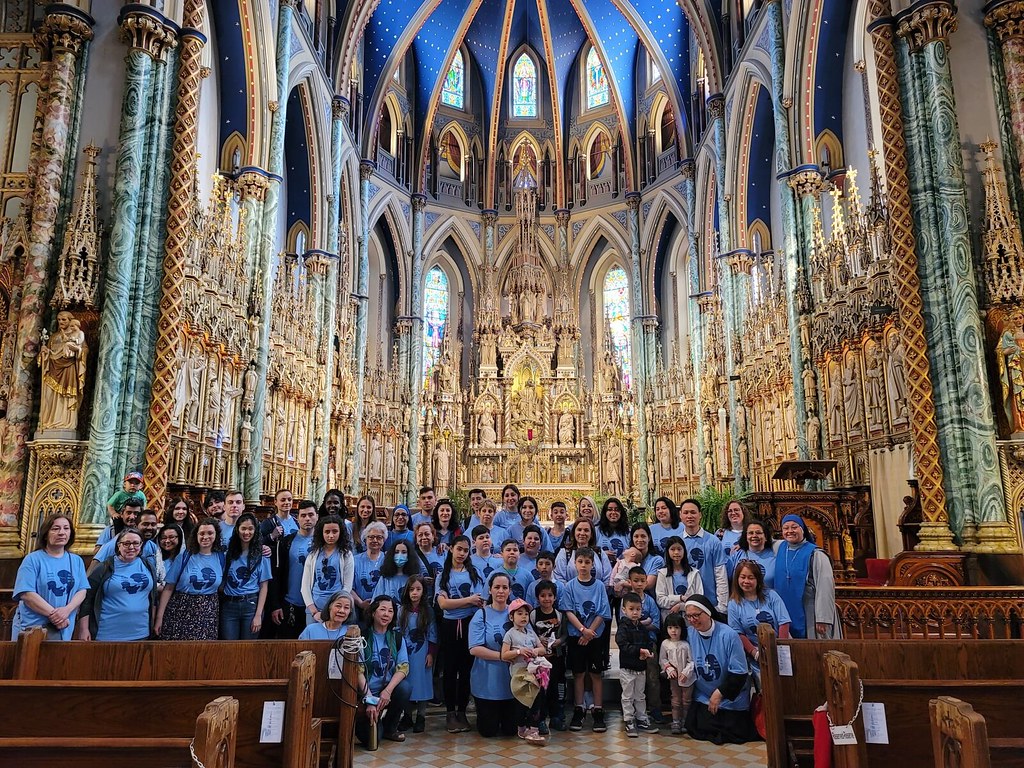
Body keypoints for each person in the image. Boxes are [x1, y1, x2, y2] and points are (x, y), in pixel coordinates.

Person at [683, 594, 759, 744]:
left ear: (708, 612)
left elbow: (739, 672)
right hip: (704, 696)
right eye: (688, 616)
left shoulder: (728, 635)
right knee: (698, 726)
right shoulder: (689, 634)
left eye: (696, 615)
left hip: (730, 697)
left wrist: (719, 694)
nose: (692, 620)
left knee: (732, 729)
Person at [436, 534, 485, 733]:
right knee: (449, 670)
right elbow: (443, 604)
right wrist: (467, 600)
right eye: (459, 549)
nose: (462, 553)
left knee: (466, 671)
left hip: (469, 624)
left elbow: (479, 601)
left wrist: (456, 603)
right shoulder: (443, 574)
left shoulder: (475, 573)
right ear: (451, 549)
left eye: (466, 550)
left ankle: (462, 711)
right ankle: (450, 713)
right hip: (449, 626)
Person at [13, 514, 88, 641]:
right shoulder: (32, 559)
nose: (61, 533)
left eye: (66, 528)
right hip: (33, 628)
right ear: (46, 533)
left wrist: (66, 611)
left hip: (64, 627)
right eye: (55, 529)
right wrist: (55, 615)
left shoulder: (76, 561)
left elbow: (82, 590)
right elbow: (26, 593)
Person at [77, 528, 158, 641]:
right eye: (126, 543)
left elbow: (153, 598)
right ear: (118, 546)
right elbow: (87, 600)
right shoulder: (104, 567)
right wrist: (83, 629)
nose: (131, 547)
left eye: (136, 543)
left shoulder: (148, 566)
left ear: (141, 545)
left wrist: (153, 623)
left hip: (141, 632)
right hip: (107, 633)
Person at [562, 547, 611, 733]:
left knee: (596, 674)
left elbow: (602, 612)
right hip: (577, 637)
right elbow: (568, 611)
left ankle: (598, 710)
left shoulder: (599, 586)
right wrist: (583, 630)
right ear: (575, 564)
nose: (583, 565)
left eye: (587, 562)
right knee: (579, 674)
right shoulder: (569, 586)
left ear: (593, 564)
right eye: (580, 561)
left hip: (595, 637)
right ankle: (579, 708)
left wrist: (590, 632)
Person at [155, 518, 224, 640]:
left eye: (210, 533)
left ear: (216, 535)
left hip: (207, 613)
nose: (205, 537)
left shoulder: (221, 557)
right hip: (181, 609)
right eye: (202, 533)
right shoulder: (184, 557)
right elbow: (168, 588)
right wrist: (159, 618)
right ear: (196, 535)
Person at [468, 572, 518, 738]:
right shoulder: (481, 614)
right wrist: (503, 656)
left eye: (505, 587)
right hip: (486, 684)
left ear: (510, 591)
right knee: (488, 732)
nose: (501, 591)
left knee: (510, 732)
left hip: (512, 684)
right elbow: (474, 649)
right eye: (497, 587)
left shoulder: (517, 613)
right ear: (489, 590)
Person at [773, 514, 839, 639]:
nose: (790, 531)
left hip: (811, 612)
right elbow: (758, 540)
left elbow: (825, 587)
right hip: (785, 610)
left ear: (803, 529)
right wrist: (740, 544)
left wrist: (823, 618)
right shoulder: (779, 547)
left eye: (794, 527)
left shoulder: (816, 554)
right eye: (785, 528)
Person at [357, 596, 412, 745]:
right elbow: (357, 670)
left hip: (385, 691)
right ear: (373, 612)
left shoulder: (397, 637)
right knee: (371, 742)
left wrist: (388, 691)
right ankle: (364, 722)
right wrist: (368, 699)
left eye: (390, 611)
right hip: (364, 693)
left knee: (405, 688)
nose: (386, 614)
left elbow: (403, 667)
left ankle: (390, 727)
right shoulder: (362, 637)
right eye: (382, 609)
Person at [728, 559, 791, 678]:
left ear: (758, 579)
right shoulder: (733, 604)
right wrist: (755, 653)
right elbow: (738, 632)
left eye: (751, 578)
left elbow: (784, 621)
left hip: (780, 647)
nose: (746, 581)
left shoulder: (771, 595)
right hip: (756, 653)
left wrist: (779, 648)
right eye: (743, 577)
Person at [267, 502, 318, 639]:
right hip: (291, 604)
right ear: (298, 518)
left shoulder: (323, 543)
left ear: (317, 517)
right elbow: (276, 575)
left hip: (316, 606)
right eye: (303, 515)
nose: (307, 518)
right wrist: (275, 605)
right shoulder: (286, 542)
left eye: (311, 515)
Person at [502, 597, 548, 745]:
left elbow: (542, 648)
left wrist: (535, 651)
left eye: (526, 614)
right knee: (521, 702)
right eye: (519, 613)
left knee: (536, 700)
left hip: (533, 674)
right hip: (519, 675)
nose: (523, 617)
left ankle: (533, 728)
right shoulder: (510, 634)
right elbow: (504, 655)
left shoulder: (530, 632)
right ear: (511, 616)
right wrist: (518, 652)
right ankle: (521, 727)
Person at [221, 512, 272, 640]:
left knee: (248, 649)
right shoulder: (229, 553)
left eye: (250, 529)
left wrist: (258, 615)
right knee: (229, 648)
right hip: (229, 604)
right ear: (237, 530)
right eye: (243, 528)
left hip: (251, 604)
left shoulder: (262, 555)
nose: (246, 532)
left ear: (255, 530)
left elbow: (264, 586)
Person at [623, 566, 663, 723]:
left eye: (642, 581)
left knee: (652, 678)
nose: (639, 584)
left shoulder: (651, 601)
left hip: (649, 643)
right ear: (630, 582)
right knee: (630, 680)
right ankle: (629, 711)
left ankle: (654, 709)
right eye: (636, 581)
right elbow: (625, 623)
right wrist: (643, 622)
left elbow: (656, 624)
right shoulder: (625, 601)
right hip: (631, 647)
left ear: (647, 582)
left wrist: (640, 624)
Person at [397, 575, 437, 734]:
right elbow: (397, 633)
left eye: (418, 589)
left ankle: (421, 716)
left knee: (423, 684)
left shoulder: (428, 611)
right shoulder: (401, 611)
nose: (414, 593)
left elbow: (433, 633)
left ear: (423, 591)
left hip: (423, 653)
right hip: (405, 653)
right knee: (407, 684)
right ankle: (407, 716)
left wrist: (431, 653)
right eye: (411, 589)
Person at [617, 592, 659, 737]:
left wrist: (648, 651)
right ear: (624, 610)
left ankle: (641, 718)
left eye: (638, 609)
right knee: (628, 695)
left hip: (641, 667)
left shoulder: (641, 627)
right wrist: (638, 651)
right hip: (627, 668)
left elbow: (648, 641)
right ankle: (629, 719)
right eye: (631, 609)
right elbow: (623, 645)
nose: (635, 612)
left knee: (640, 695)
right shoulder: (623, 627)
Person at [302, 514, 355, 625]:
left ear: (340, 532)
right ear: (321, 533)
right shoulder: (313, 555)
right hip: (314, 610)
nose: (331, 535)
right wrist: (313, 611)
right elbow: (305, 586)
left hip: (336, 611)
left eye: (334, 531)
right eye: (327, 532)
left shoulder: (346, 555)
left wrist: (336, 609)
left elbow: (347, 586)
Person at [679, 498, 729, 612]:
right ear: (680, 515)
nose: (689, 516)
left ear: (700, 515)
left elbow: (720, 575)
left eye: (693, 512)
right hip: (684, 602)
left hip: (709, 602)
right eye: (686, 513)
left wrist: (722, 607)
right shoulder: (676, 542)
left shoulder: (713, 541)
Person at [531, 580, 567, 732]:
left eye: (550, 595)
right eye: (543, 596)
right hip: (540, 661)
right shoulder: (533, 614)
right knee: (541, 691)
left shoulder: (559, 615)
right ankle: (540, 719)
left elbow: (565, 635)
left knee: (555, 689)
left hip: (556, 659)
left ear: (555, 597)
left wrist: (559, 641)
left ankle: (556, 717)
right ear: (537, 598)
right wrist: (538, 640)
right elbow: (529, 634)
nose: (546, 599)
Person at [660, 613, 696, 735]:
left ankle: (686, 721)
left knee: (686, 700)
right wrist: (669, 668)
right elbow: (662, 659)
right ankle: (676, 721)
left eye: (676, 628)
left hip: (687, 678)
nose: (673, 631)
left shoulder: (686, 645)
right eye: (670, 628)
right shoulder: (665, 644)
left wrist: (686, 672)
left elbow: (691, 661)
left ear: (682, 628)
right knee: (675, 699)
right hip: (674, 677)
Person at [655, 536, 704, 621]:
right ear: (667, 551)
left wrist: (681, 606)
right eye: (673, 549)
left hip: (691, 620)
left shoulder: (694, 573)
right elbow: (661, 600)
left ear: (684, 551)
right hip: (670, 620)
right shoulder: (662, 573)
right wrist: (680, 598)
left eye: (679, 549)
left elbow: (699, 599)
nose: (676, 552)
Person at [553, 519, 612, 585]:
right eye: (579, 530)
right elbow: (558, 577)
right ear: (574, 532)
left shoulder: (599, 553)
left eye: (586, 530)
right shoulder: (564, 553)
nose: (582, 533)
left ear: (591, 534)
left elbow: (607, 577)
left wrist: (597, 590)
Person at [728, 519, 777, 588]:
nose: (754, 535)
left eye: (758, 533)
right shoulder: (736, 555)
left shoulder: (775, 555)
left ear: (766, 537)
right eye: (750, 533)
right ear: (746, 536)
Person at [628, 523, 664, 593]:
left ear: (649, 538)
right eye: (636, 536)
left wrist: (623, 584)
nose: (640, 540)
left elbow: (648, 584)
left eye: (643, 536)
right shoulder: (627, 557)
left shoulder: (657, 560)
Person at [497, 537, 534, 602]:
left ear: (519, 554)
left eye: (515, 550)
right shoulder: (494, 575)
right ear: (502, 554)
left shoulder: (527, 575)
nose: (512, 552)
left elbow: (532, 598)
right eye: (508, 550)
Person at [596, 497, 631, 562]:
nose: (613, 512)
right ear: (605, 512)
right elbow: (589, 550)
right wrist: (602, 554)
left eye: (617, 510)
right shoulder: (596, 531)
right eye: (610, 509)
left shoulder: (628, 532)